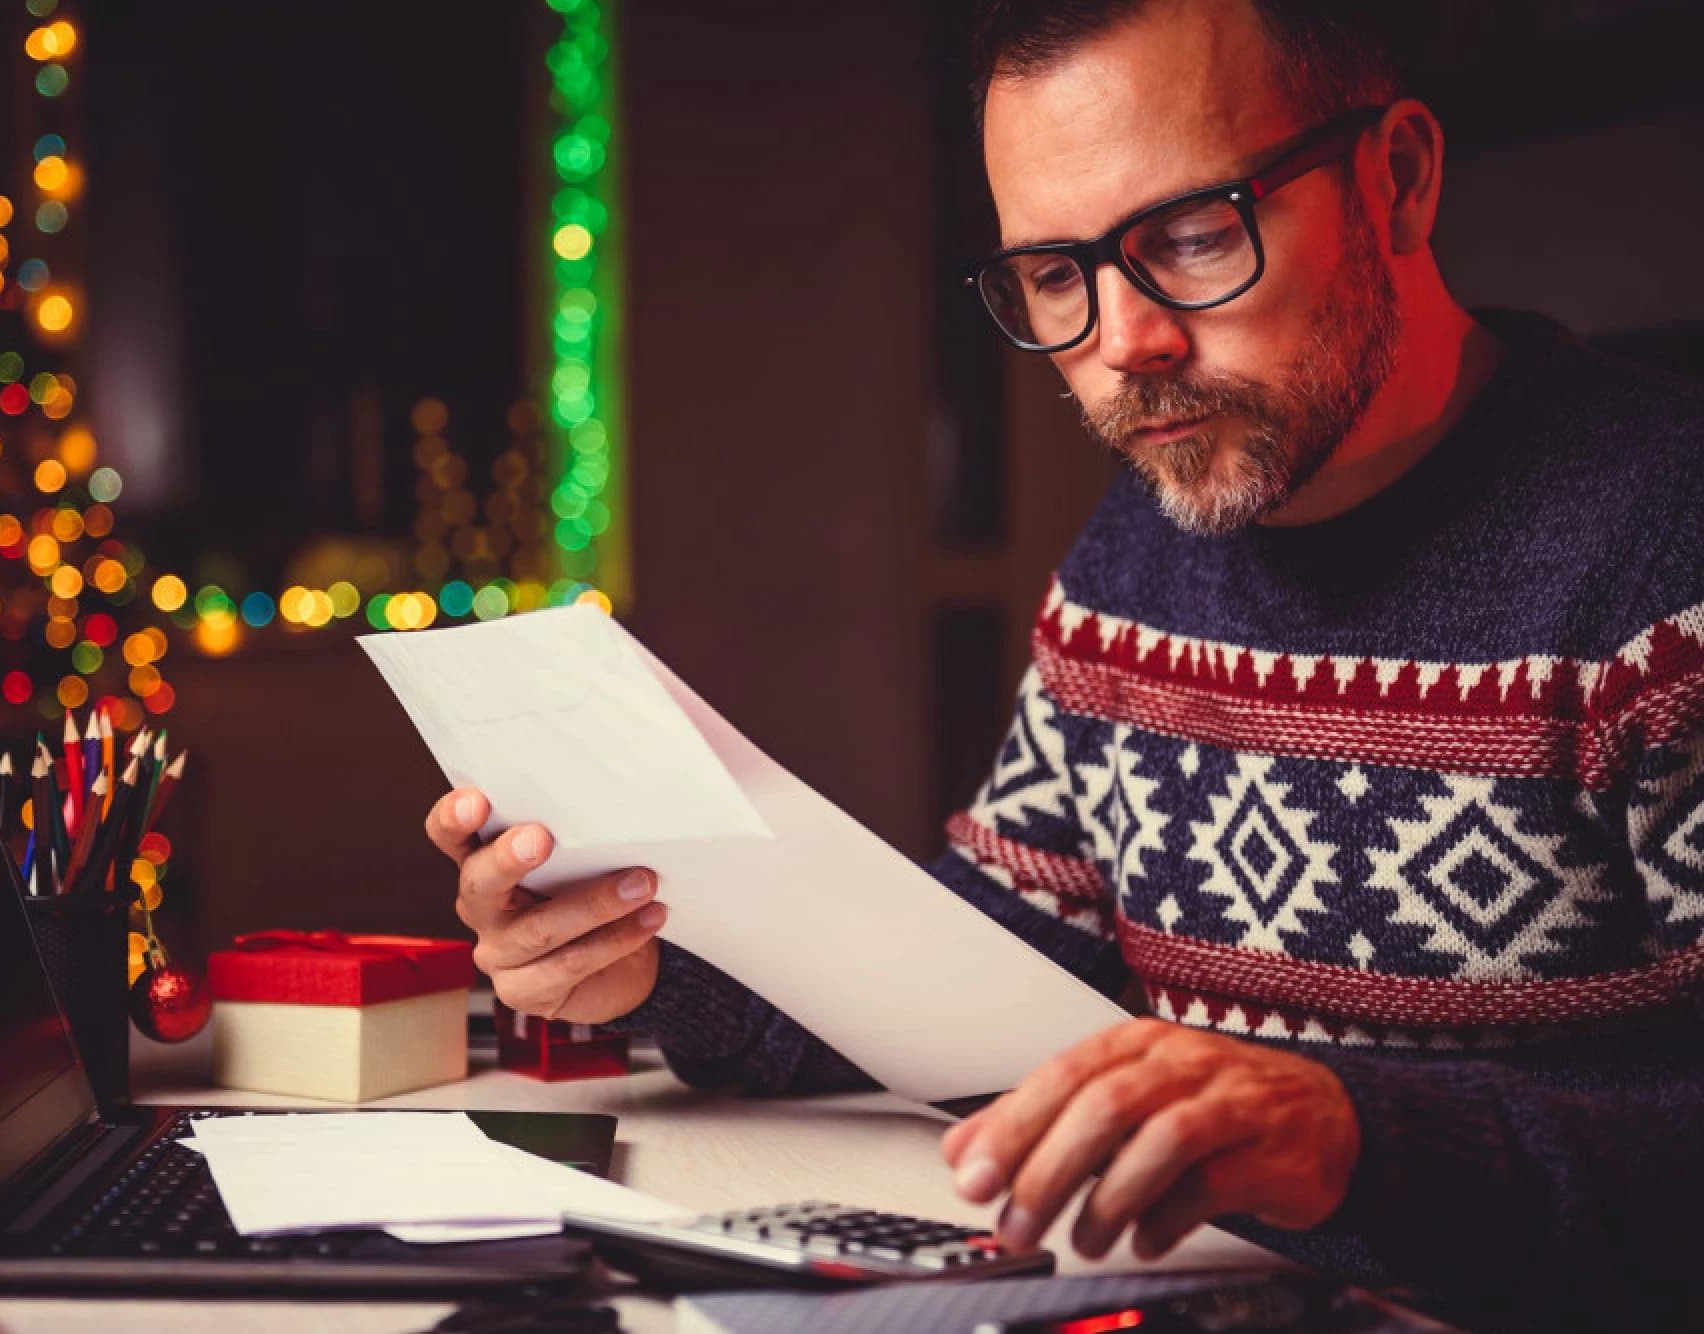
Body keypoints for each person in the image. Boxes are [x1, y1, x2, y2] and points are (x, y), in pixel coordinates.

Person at [423, 0, 1704, 1324]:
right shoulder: (1134, 557)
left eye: (1199, 234)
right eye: (1053, 272)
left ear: (1398, 179)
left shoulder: (1672, 557)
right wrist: (647, 948)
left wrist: (1357, 1137)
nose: (1124, 344)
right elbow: (996, 964)